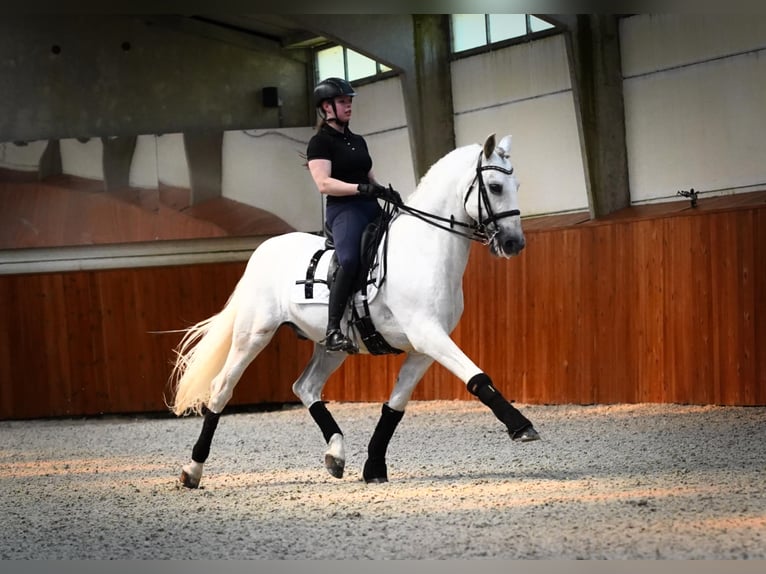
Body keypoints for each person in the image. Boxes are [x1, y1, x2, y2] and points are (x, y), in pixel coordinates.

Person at [306, 77, 400, 352]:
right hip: (344, 210)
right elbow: (324, 184)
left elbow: (368, 176)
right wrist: (360, 188)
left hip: (370, 206)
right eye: (343, 102)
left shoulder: (358, 141)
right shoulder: (320, 143)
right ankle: (333, 328)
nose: (349, 106)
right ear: (327, 107)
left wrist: (384, 191)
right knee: (348, 259)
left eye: (349, 102)